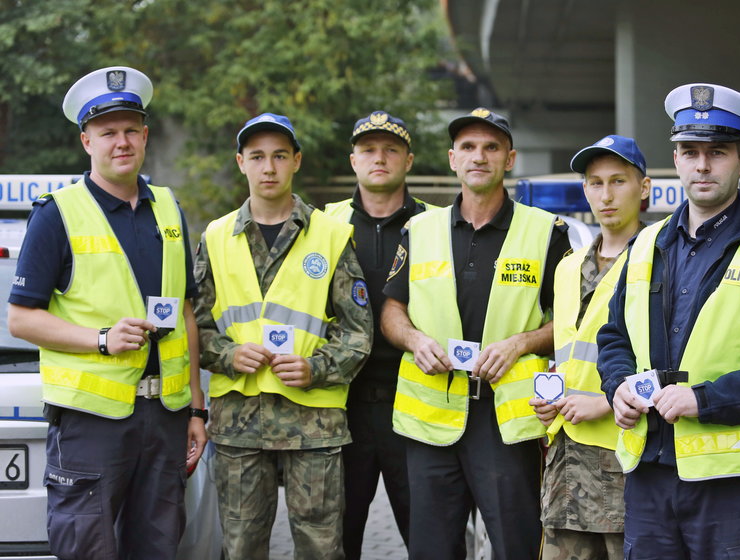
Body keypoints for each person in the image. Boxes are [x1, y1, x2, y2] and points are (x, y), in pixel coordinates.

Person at [597, 83, 740, 559]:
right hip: (649, 475)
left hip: (733, 487)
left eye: (717, 152)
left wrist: (704, 399)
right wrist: (616, 385)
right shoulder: (645, 244)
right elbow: (615, 335)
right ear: (676, 159)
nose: (702, 165)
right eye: (689, 151)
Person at [7, 66, 207, 560]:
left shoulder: (169, 209)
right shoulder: (57, 213)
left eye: (130, 130)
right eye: (107, 132)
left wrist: (197, 408)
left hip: (165, 418)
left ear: (144, 136)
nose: (121, 141)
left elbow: (184, 310)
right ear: (86, 141)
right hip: (92, 424)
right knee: (89, 549)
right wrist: (101, 339)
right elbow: (20, 319)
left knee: (160, 547)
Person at [381, 107, 572, 560]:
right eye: (468, 147)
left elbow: (571, 319)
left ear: (510, 159)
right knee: (432, 550)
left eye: (491, 147)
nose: (479, 156)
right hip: (432, 419)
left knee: (515, 547)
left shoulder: (547, 232)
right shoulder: (418, 230)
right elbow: (391, 309)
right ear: (452, 159)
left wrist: (521, 343)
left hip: (505, 422)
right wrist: (415, 340)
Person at [193, 112, 373, 560]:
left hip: (312, 425)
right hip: (238, 424)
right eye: (257, 157)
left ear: (296, 161)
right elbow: (193, 324)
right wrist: (227, 355)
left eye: (278, 156)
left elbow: (358, 332)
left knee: (320, 547)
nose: (268, 168)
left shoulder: (331, 236)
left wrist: (316, 367)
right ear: (240, 163)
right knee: (240, 547)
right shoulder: (215, 237)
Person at [531, 135, 650, 559]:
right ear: (585, 190)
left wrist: (604, 401)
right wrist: (550, 399)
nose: (606, 194)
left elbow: (676, 363)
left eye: (618, 181)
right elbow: (569, 356)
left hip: (626, 464)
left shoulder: (660, 262)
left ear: (644, 187)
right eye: (595, 183)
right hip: (566, 466)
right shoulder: (566, 268)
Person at [324, 111, 431, 558]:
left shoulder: (436, 226)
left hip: (414, 405)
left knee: (429, 538)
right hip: (341, 408)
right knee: (336, 538)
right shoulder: (323, 226)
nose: (379, 158)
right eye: (369, 150)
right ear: (353, 160)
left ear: (409, 160)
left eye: (390, 150)